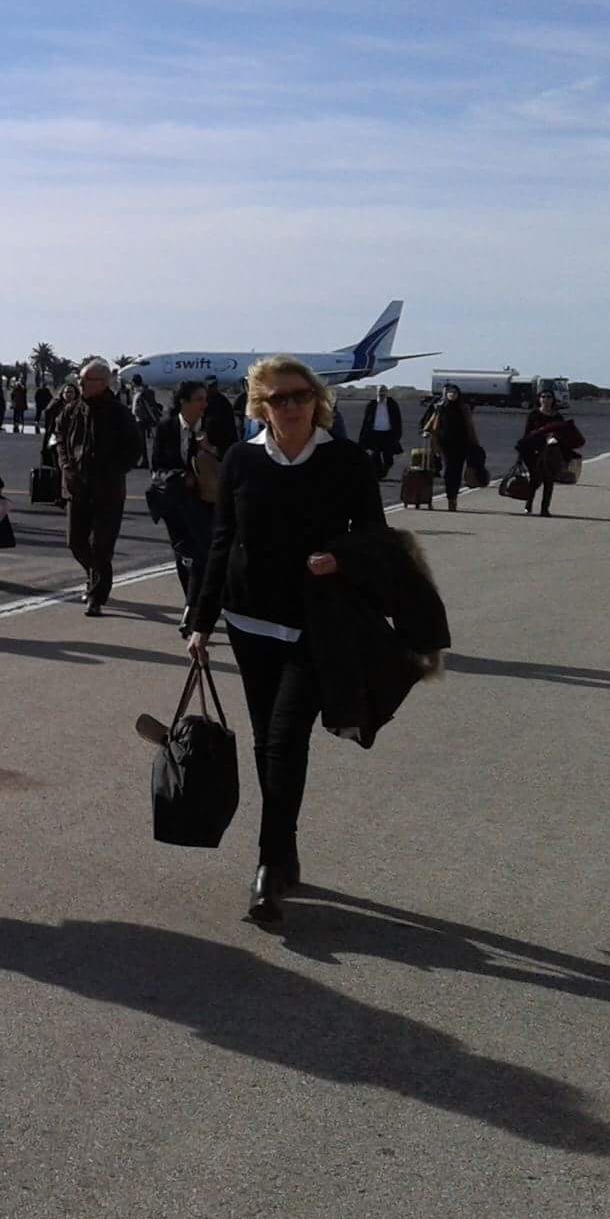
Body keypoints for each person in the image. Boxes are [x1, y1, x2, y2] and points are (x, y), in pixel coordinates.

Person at [188, 355, 387, 925]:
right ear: (261, 406)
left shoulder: (345, 461)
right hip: (248, 621)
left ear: (317, 400)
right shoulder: (240, 460)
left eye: (301, 395)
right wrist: (201, 620)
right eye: (279, 398)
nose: (292, 405)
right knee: (265, 741)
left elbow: (374, 537)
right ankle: (285, 849)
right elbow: (221, 541)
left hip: (314, 624)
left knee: (284, 741)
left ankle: (267, 866)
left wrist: (340, 557)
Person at [54, 359, 140, 617]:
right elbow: (60, 437)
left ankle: (96, 596)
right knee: (75, 542)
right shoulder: (71, 411)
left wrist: (112, 470)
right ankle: (95, 575)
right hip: (77, 487)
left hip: (108, 490)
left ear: (103, 383)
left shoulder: (120, 414)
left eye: (86, 380)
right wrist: (66, 465)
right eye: (79, 379)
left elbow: (134, 449)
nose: (80, 384)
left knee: (101, 546)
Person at [150, 380, 216, 632]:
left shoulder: (213, 425)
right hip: (175, 499)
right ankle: (192, 601)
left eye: (205, 399)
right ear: (183, 402)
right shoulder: (166, 426)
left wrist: (209, 449)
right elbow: (156, 466)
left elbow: (231, 458)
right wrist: (179, 476)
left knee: (201, 553)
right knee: (183, 554)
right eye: (199, 399)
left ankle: (192, 608)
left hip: (206, 500)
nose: (204, 405)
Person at [517, 391, 584, 518]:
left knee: (548, 479)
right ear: (539, 399)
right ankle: (529, 504)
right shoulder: (533, 414)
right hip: (533, 452)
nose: (546, 399)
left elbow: (565, 434)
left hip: (551, 452)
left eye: (549, 397)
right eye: (543, 397)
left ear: (553, 400)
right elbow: (527, 433)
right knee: (536, 478)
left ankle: (544, 509)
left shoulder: (557, 417)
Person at [421, 384, 481, 512]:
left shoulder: (463, 408)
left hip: (461, 444)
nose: (452, 394)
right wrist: (426, 431)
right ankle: (450, 495)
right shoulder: (440, 407)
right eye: (450, 392)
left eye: (455, 392)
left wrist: (475, 443)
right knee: (449, 470)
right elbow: (431, 421)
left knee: (457, 471)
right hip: (444, 444)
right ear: (446, 394)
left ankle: (453, 499)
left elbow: (470, 426)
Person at [357, 385, 404, 478]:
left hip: (388, 434)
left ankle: (383, 472)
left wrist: (397, 435)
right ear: (377, 393)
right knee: (375, 456)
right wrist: (363, 436)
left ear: (387, 393)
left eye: (383, 392)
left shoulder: (392, 405)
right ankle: (378, 475)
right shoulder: (371, 405)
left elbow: (398, 420)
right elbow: (366, 421)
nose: (381, 394)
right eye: (380, 392)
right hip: (374, 434)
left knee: (388, 458)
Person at [202, 376, 239, 454]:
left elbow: (230, 426)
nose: (209, 389)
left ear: (216, 386)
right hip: (206, 444)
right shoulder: (203, 401)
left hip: (222, 444)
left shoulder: (224, 403)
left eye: (212, 386)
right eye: (208, 386)